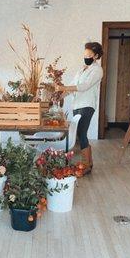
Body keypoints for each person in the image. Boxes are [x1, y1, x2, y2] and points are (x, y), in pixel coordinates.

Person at [55, 42, 103, 174]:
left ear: (96, 56)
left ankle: (85, 165)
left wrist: (63, 88)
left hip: (87, 105)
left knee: (82, 133)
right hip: (77, 105)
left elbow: (84, 86)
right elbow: (73, 85)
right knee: (80, 133)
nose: (86, 57)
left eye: (89, 55)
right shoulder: (82, 70)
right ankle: (89, 163)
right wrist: (61, 96)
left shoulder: (97, 70)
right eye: (85, 55)